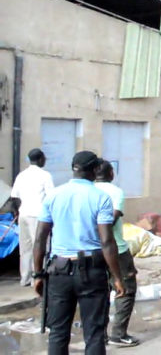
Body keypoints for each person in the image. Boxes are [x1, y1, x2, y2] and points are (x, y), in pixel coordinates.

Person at [32, 151, 125, 355]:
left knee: (57, 333)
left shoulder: (53, 195)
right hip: (92, 271)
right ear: (93, 171)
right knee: (94, 334)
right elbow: (107, 241)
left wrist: (37, 275)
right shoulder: (101, 198)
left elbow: (40, 238)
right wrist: (117, 277)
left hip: (58, 272)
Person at [94, 161, 139, 347]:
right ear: (111, 174)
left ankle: (100, 333)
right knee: (126, 290)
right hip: (116, 250)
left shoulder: (89, 191)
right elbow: (111, 220)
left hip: (93, 250)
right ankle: (118, 334)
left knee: (100, 292)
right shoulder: (115, 192)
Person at [10, 148, 54, 286]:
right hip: (38, 216)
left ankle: (25, 278)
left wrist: (16, 211)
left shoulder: (21, 175)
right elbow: (51, 197)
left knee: (25, 248)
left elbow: (14, 197)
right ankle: (38, 278)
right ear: (41, 159)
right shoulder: (45, 175)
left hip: (23, 214)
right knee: (40, 246)